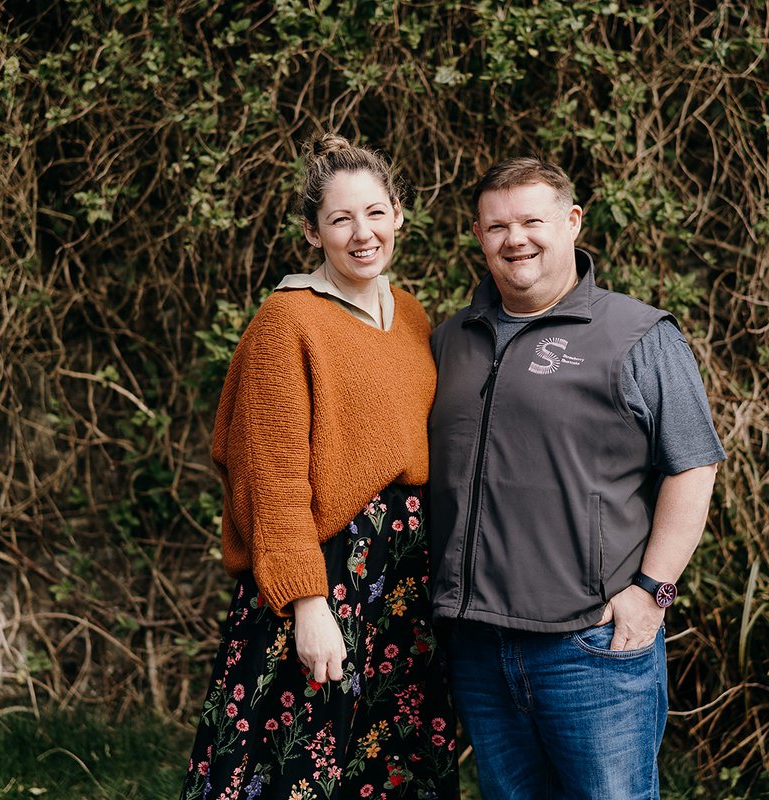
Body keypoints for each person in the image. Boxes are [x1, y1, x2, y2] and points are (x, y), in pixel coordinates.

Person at [428, 157, 726, 800]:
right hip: (478, 648)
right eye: (497, 226)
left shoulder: (638, 334)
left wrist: (653, 593)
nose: (516, 240)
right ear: (478, 236)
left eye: (532, 220)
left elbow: (693, 465)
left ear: (572, 222)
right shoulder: (451, 340)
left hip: (590, 647)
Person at [181, 133, 459, 800]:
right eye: (340, 219)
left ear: (399, 214)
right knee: (303, 764)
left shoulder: (413, 317)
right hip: (324, 573)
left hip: (402, 581)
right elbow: (269, 475)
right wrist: (308, 603)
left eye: (374, 213)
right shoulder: (287, 321)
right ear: (313, 232)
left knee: (392, 761)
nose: (362, 233)